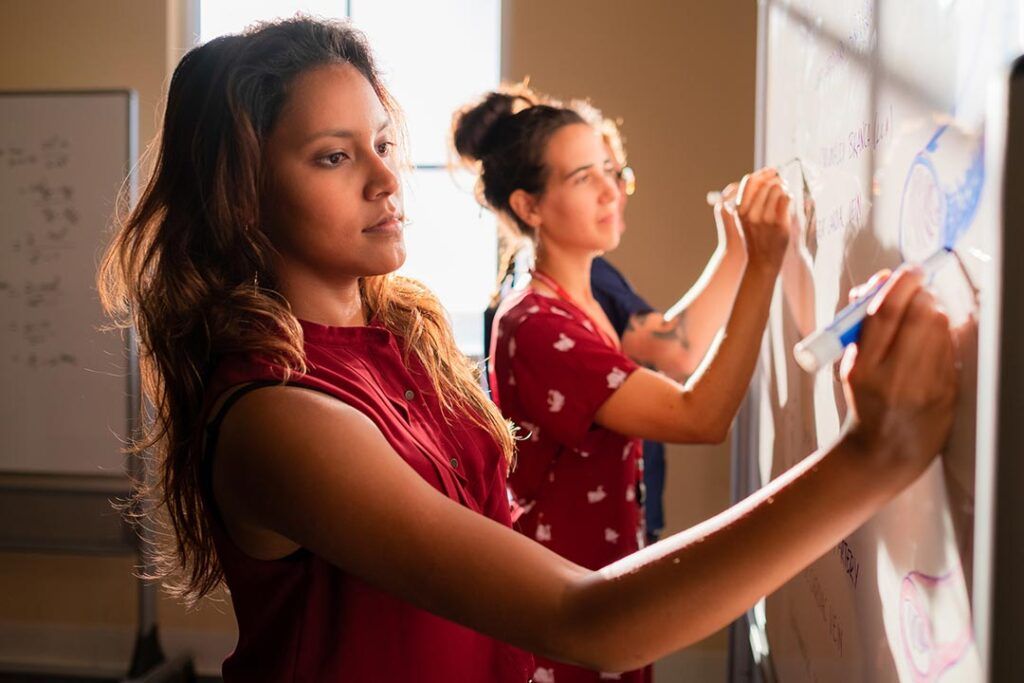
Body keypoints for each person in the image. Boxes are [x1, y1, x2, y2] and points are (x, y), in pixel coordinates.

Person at [99, 17, 957, 683]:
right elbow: (588, 617)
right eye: (333, 156)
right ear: (242, 195)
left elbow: (668, 345)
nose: (387, 178)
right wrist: (871, 455)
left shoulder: (397, 337)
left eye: (383, 144)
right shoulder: (279, 416)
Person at [451, 91, 939, 682]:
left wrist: (737, 249)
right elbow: (699, 417)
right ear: (530, 205)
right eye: (584, 178)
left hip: (607, 578)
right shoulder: (534, 323)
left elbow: (675, 348)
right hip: (575, 601)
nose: (610, 190)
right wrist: (762, 264)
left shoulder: (575, 295)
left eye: (611, 170)